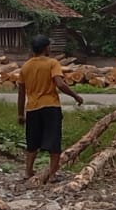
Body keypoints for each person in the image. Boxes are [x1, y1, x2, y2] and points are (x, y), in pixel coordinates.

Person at [17, 34, 84, 184]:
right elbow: (59, 84)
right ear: (46, 48)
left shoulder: (26, 66)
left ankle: (28, 171)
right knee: (54, 141)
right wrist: (76, 96)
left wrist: (20, 114)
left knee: (32, 141)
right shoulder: (52, 63)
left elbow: (21, 92)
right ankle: (52, 175)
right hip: (50, 106)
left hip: (32, 108)